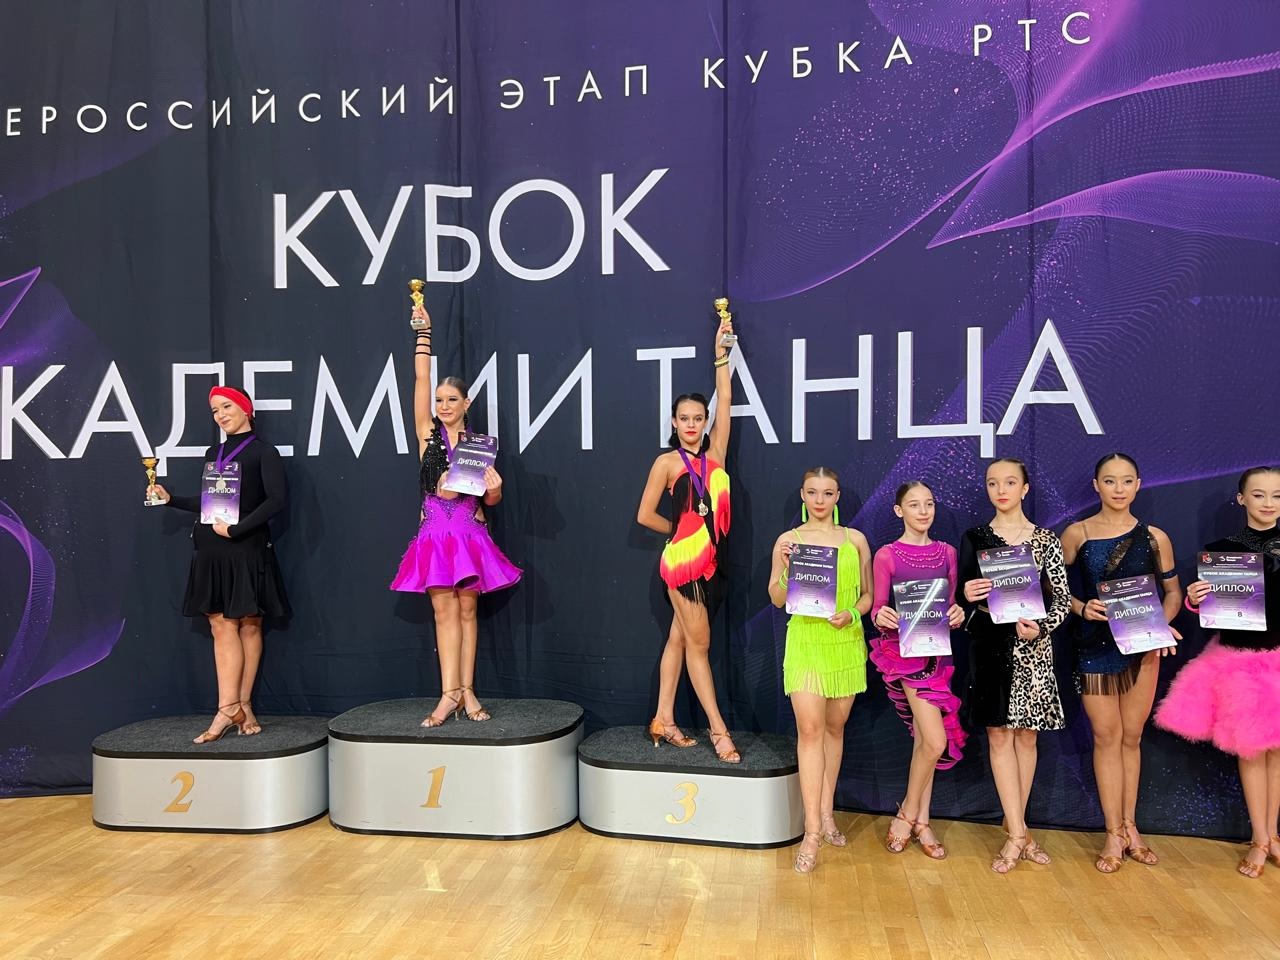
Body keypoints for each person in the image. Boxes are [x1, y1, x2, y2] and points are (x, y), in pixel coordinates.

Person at [390, 301, 520, 727]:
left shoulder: (479, 445)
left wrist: (495, 490)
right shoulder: (426, 433)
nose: (444, 405)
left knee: (468, 613)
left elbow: (489, 501)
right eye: (439, 400)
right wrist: (423, 336)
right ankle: (448, 695)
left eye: (452, 399)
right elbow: (420, 378)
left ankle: (467, 690)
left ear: (467, 402)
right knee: (444, 614)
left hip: (469, 534)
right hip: (435, 533)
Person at [1156, 466, 1280, 878]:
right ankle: (1259, 839)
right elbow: (1207, 610)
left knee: (1276, 751)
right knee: (1252, 749)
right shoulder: (1221, 551)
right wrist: (1195, 598)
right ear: (1242, 499)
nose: (1268, 503)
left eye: (1277, 495)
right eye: (1259, 495)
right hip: (1241, 663)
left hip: (1278, 660)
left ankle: (1272, 835)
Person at [1061, 453, 1181, 873]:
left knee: (1131, 737)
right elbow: (1052, 588)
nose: (1118, 489)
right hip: (1095, 645)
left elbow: (1173, 594)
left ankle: (1131, 828)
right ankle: (1112, 832)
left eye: (1126, 480)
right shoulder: (1077, 533)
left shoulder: (1155, 538)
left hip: (1141, 649)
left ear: (1138, 485)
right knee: (1106, 736)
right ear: (1096, 485)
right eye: (1109, 481)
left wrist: (1160, 627)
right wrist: (1081, 607)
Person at [148, 386, 289, 743]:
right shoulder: (215, 453)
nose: (221, 415)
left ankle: (242, 705)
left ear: (246, 409)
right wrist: (171, 499)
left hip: (246, 546)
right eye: (214, 411)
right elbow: (212, 500)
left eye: (226, 407)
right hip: (213, 547)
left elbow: (276, 500)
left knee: (250, 626)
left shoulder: (264, 452)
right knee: (221, 624)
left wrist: (238, 529)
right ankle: (229, 707)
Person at [636, 311, 738, 764]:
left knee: (679, 640)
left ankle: (663, 718)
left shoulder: (717, 453)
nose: (692, 424)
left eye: (698, 418)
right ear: (674, 423)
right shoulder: (666, 463)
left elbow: (726, 399)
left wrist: (721, 355)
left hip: (713, 563)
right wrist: (679, 533)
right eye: (684, 418)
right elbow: (645, 515)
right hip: (682, 565)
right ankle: (719, 731)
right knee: (700, 645)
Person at [959, 458, 1069, 873]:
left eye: (1009, 482)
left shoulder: (1046, 539)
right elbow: (961, 600)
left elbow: (1062, 600)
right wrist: (968, 593)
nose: (1001, 490)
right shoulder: (975, 537)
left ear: (1024, 488)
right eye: (993, 483)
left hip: (1032, 649)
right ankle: (1020, 835)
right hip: (989, 647)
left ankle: (1017, 829)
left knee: (1026, 738)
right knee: (999, 736)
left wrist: (1041, 628)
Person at [767, 466, 872, 873]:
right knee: (809, 731)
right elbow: (776, 598)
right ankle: (811, 832)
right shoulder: (788, 541)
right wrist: (785, 568)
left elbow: (868, 596)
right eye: (813, 492)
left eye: (827, 493)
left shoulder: (855, 540)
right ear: (802, 495)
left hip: (844, 643)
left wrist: (851, 614)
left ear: (837, 496)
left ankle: (827, 815)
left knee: (834, 728)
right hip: (806, 642)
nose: (820, 500)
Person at [870, 481, 967, 860]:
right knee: (936, 742)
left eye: (929, 504)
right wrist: (882, 616)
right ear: (899, 511)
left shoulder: (947, 553)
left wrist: (957, 614)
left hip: (938, 654)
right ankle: (908, 814)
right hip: (906, 655)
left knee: (925, 740)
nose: (923, 511)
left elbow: (952, 605)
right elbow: (877, 608)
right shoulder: (887, 555)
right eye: (914, 505)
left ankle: (922, 821)